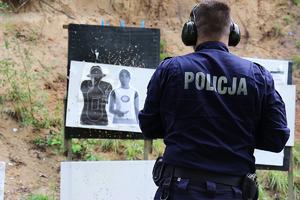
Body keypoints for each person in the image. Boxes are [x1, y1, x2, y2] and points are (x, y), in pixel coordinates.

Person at [138, 1, 290, 200]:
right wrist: (239, 133)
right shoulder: (257, 75)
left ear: (190, 32)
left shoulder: (170, 69)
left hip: (178, 190)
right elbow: (276, 138)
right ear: (233, 33)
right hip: (232, 192)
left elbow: (149, 126)